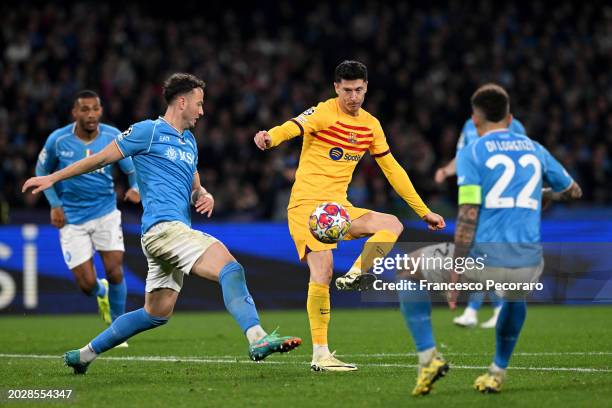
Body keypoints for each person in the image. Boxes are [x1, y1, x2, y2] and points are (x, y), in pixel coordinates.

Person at [23, 73, 301, 374]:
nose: (202, 111)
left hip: (166, 234)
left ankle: (84, 355)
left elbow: (194, 183)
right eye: (199, 104)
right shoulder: (148, 131)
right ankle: (256, 336)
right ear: (182, 102)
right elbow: (101, 159)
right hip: (164, 229)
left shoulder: (190, 141)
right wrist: (53, 177)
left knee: (155, 313)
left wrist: (202, 193)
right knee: (230, 268)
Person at [254, 60, 445, 371]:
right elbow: (292, 126)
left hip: (337, 208)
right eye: (346, 91)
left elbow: (392, 170)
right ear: (336, 89)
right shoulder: (324, 112)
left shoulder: (371, 125)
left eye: (358, 90)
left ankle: (358, 272)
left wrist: (424, 211)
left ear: (366, 88)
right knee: (323, 272)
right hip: (306, 206)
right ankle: (320, 354)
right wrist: (270, 138)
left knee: (392, 224)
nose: (353, 97)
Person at [396, 83, 582, 395]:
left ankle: (428, 357)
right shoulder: (534, 148)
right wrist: (543, 193)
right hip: (529, 262)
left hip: (486, 258)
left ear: (475, 120)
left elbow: (468, 214)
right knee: (514, 295)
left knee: (408, 269)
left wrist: (456, 271)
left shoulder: (473, 151)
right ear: (510, 119)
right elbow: (573, 191)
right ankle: (497, 371)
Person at [36, 90, 140, 331]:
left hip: (106, 213)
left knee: (115, 271)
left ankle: (117, 328)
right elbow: (42, 172)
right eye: (85, 109)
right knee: (86, 285)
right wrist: (55, 204)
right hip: (72, 218)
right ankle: (99, 291)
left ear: (101, 111)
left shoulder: (113, 136)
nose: (91, 114)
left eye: (95, 109)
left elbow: (132, 170)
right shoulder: (58, 140)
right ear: (75, 113)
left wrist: (135, 187)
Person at [436, 113, 527, 329]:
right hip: (477, 195)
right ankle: (491, 310)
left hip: (503, 202)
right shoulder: (469, 125)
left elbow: (524, 158)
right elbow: (462, 156)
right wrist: (446, 170)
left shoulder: (515, 127)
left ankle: (480, 310)